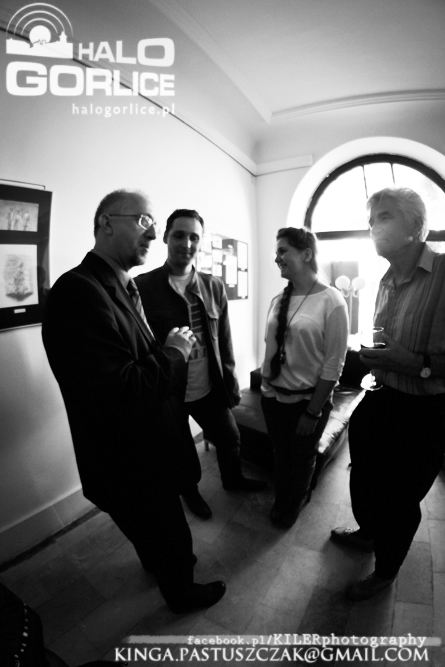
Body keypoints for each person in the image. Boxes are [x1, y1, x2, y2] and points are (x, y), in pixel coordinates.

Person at [42, 190, 226, 613]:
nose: (154, 234)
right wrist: (175, 353)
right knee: (170, 535)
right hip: (129, 461)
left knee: (154, 537)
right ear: (106, 223)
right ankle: (181, 593)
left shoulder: (122, 286)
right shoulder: (78, 291)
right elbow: (122, 392)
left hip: (147, 451)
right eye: (144, 220)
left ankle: (159, 564)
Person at [331, 187, 445, 601]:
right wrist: (373, 354)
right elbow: (388, 341)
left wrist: (416, 363)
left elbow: (417, 358)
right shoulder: (384, 279)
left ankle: (385, 571)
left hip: (425, 409)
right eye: (370, 219)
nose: (372, 226)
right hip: (381, 397)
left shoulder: (443, 272)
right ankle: (367, 532)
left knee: (399, 501)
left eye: (384, 216)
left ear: (415, 226)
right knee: (363, 477)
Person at [135, 208, 266, 520]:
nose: (187, 243)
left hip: (208, 387)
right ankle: (190, 493)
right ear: (166, 237)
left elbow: (224, 339)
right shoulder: (143, 287)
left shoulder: (213, 285)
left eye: (194, 237)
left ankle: (232, 480)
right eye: (179, 235)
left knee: (230, 437)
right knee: (180, 452)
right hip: (170, 392)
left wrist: (231, 383)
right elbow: (141, 346)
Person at [261, 227, 348, 528]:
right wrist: (266, 388)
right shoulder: (278, 299)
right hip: (273, 397)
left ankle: (295, 500)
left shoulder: (332, 300)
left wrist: (313, 411)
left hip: (306, 402)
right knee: (281, 454)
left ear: (306, 254)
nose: (277, 258)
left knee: (302, 458)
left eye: (283, 251)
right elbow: (270, 346)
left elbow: (333, 364)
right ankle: (281, 497)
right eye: (277, 252)